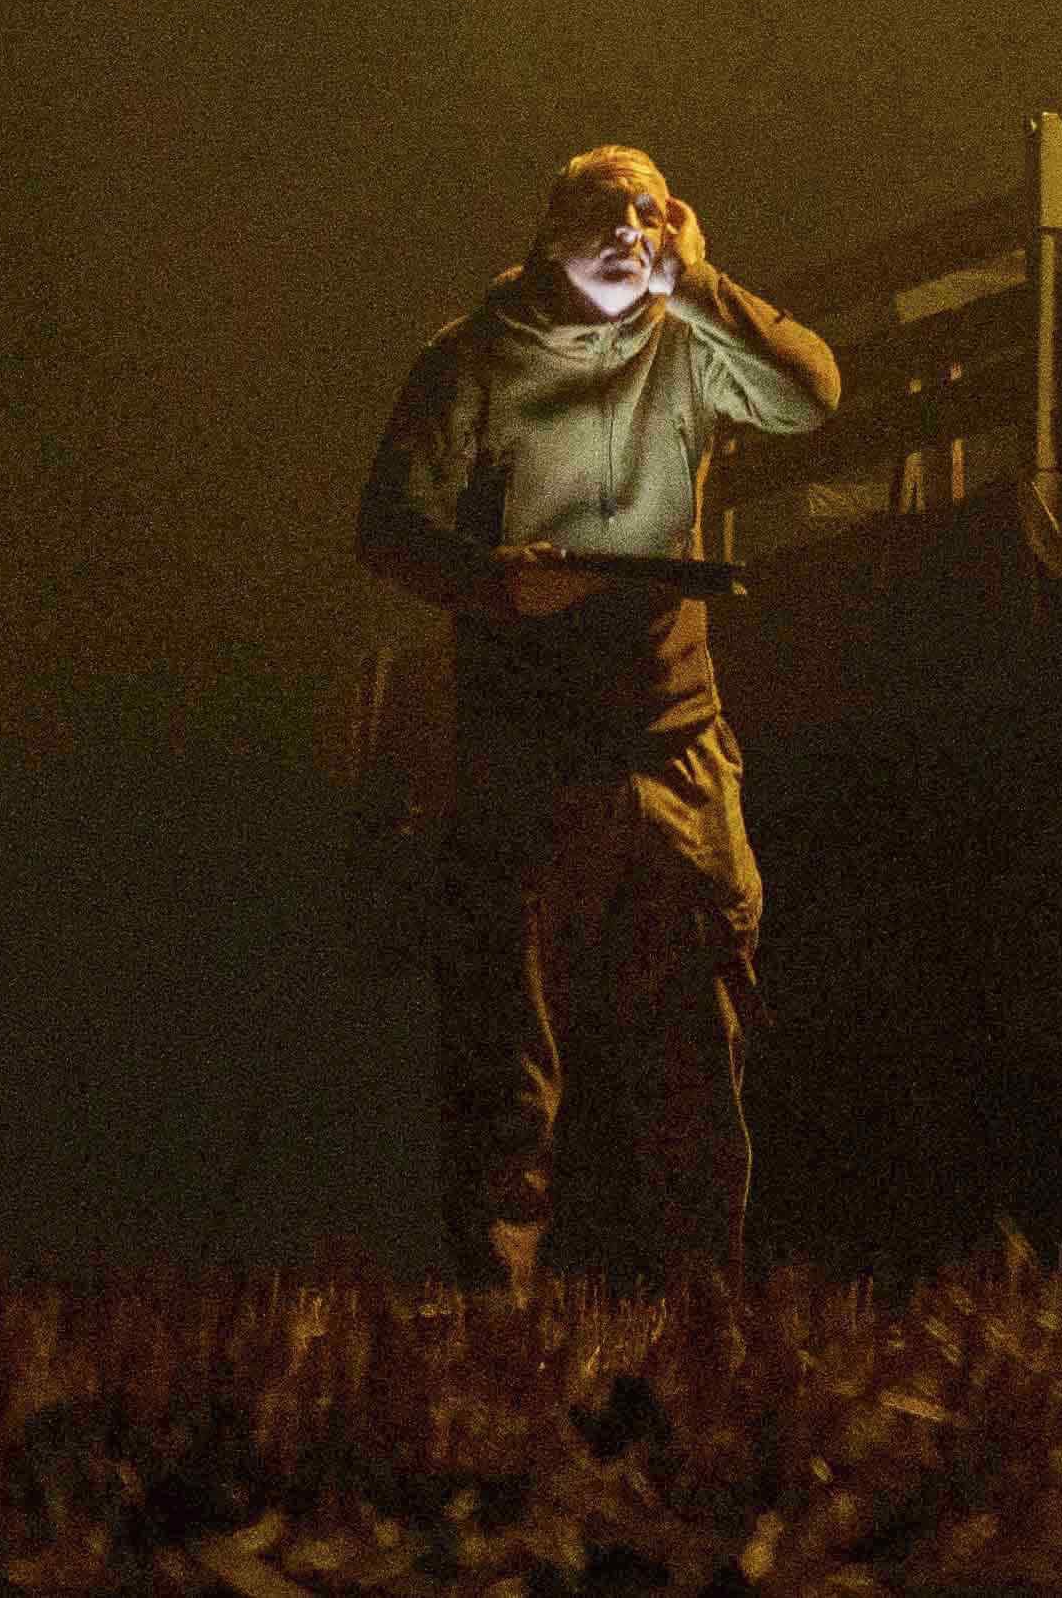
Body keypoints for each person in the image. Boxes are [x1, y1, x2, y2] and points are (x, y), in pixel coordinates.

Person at [351, 142, 840, 1291]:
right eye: (601, 212)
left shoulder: (688, 340)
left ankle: (698, 1311)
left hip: (674, 743)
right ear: (549, 230)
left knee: (696, 1049)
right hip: (530, 753)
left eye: (646, 209)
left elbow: (811, 391)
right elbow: (386, 523)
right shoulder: (476, 358)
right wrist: (489, 579)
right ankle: (494, 1324)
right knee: (509, 1060)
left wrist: (704, 284)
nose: (627, 229)